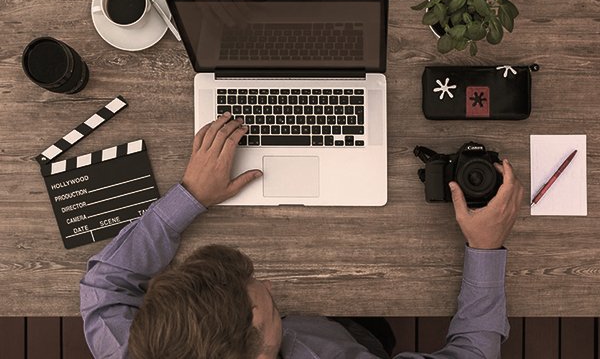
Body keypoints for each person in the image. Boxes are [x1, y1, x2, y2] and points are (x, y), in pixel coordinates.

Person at [80, 112, 524, 359]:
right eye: (262, 301)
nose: (271, 286)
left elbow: (104, 287)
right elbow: (473, 354)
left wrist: (191, 196)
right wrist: (485, 249)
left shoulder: (137, 354)